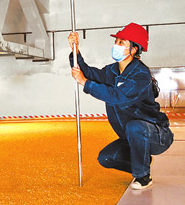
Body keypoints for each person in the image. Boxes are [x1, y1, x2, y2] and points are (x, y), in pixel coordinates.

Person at [69, 23, 174, 189]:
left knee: (135, 126)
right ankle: (142, 161)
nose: (116, 45)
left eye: (121, 42)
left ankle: (143, 177)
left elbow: (118, 96)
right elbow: (88, 73)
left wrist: (84, 82)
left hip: (156, 134)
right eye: (116, 41)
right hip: (130, 137)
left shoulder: (140, 74)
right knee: (106, 157)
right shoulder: (110, 71)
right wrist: (75, 50)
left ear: (134, 49)